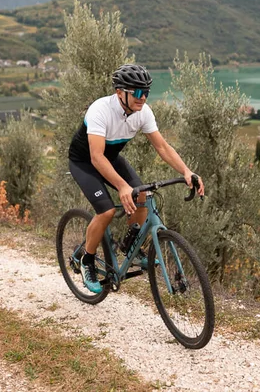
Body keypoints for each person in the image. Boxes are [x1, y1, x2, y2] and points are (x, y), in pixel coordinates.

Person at [68, 64, 205, 293]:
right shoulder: (100, 110)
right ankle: (87, 260)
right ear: (120, 92)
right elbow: (96, 157)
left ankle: (129, 246)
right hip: (85, 162)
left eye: (146, 92)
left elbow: (162, 147)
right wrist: (122, 186)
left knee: (142, 194)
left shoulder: (143, 112)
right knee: (106, 211)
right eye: (138, 92)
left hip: (111, 159)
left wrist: (186, 171)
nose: (143, 98)